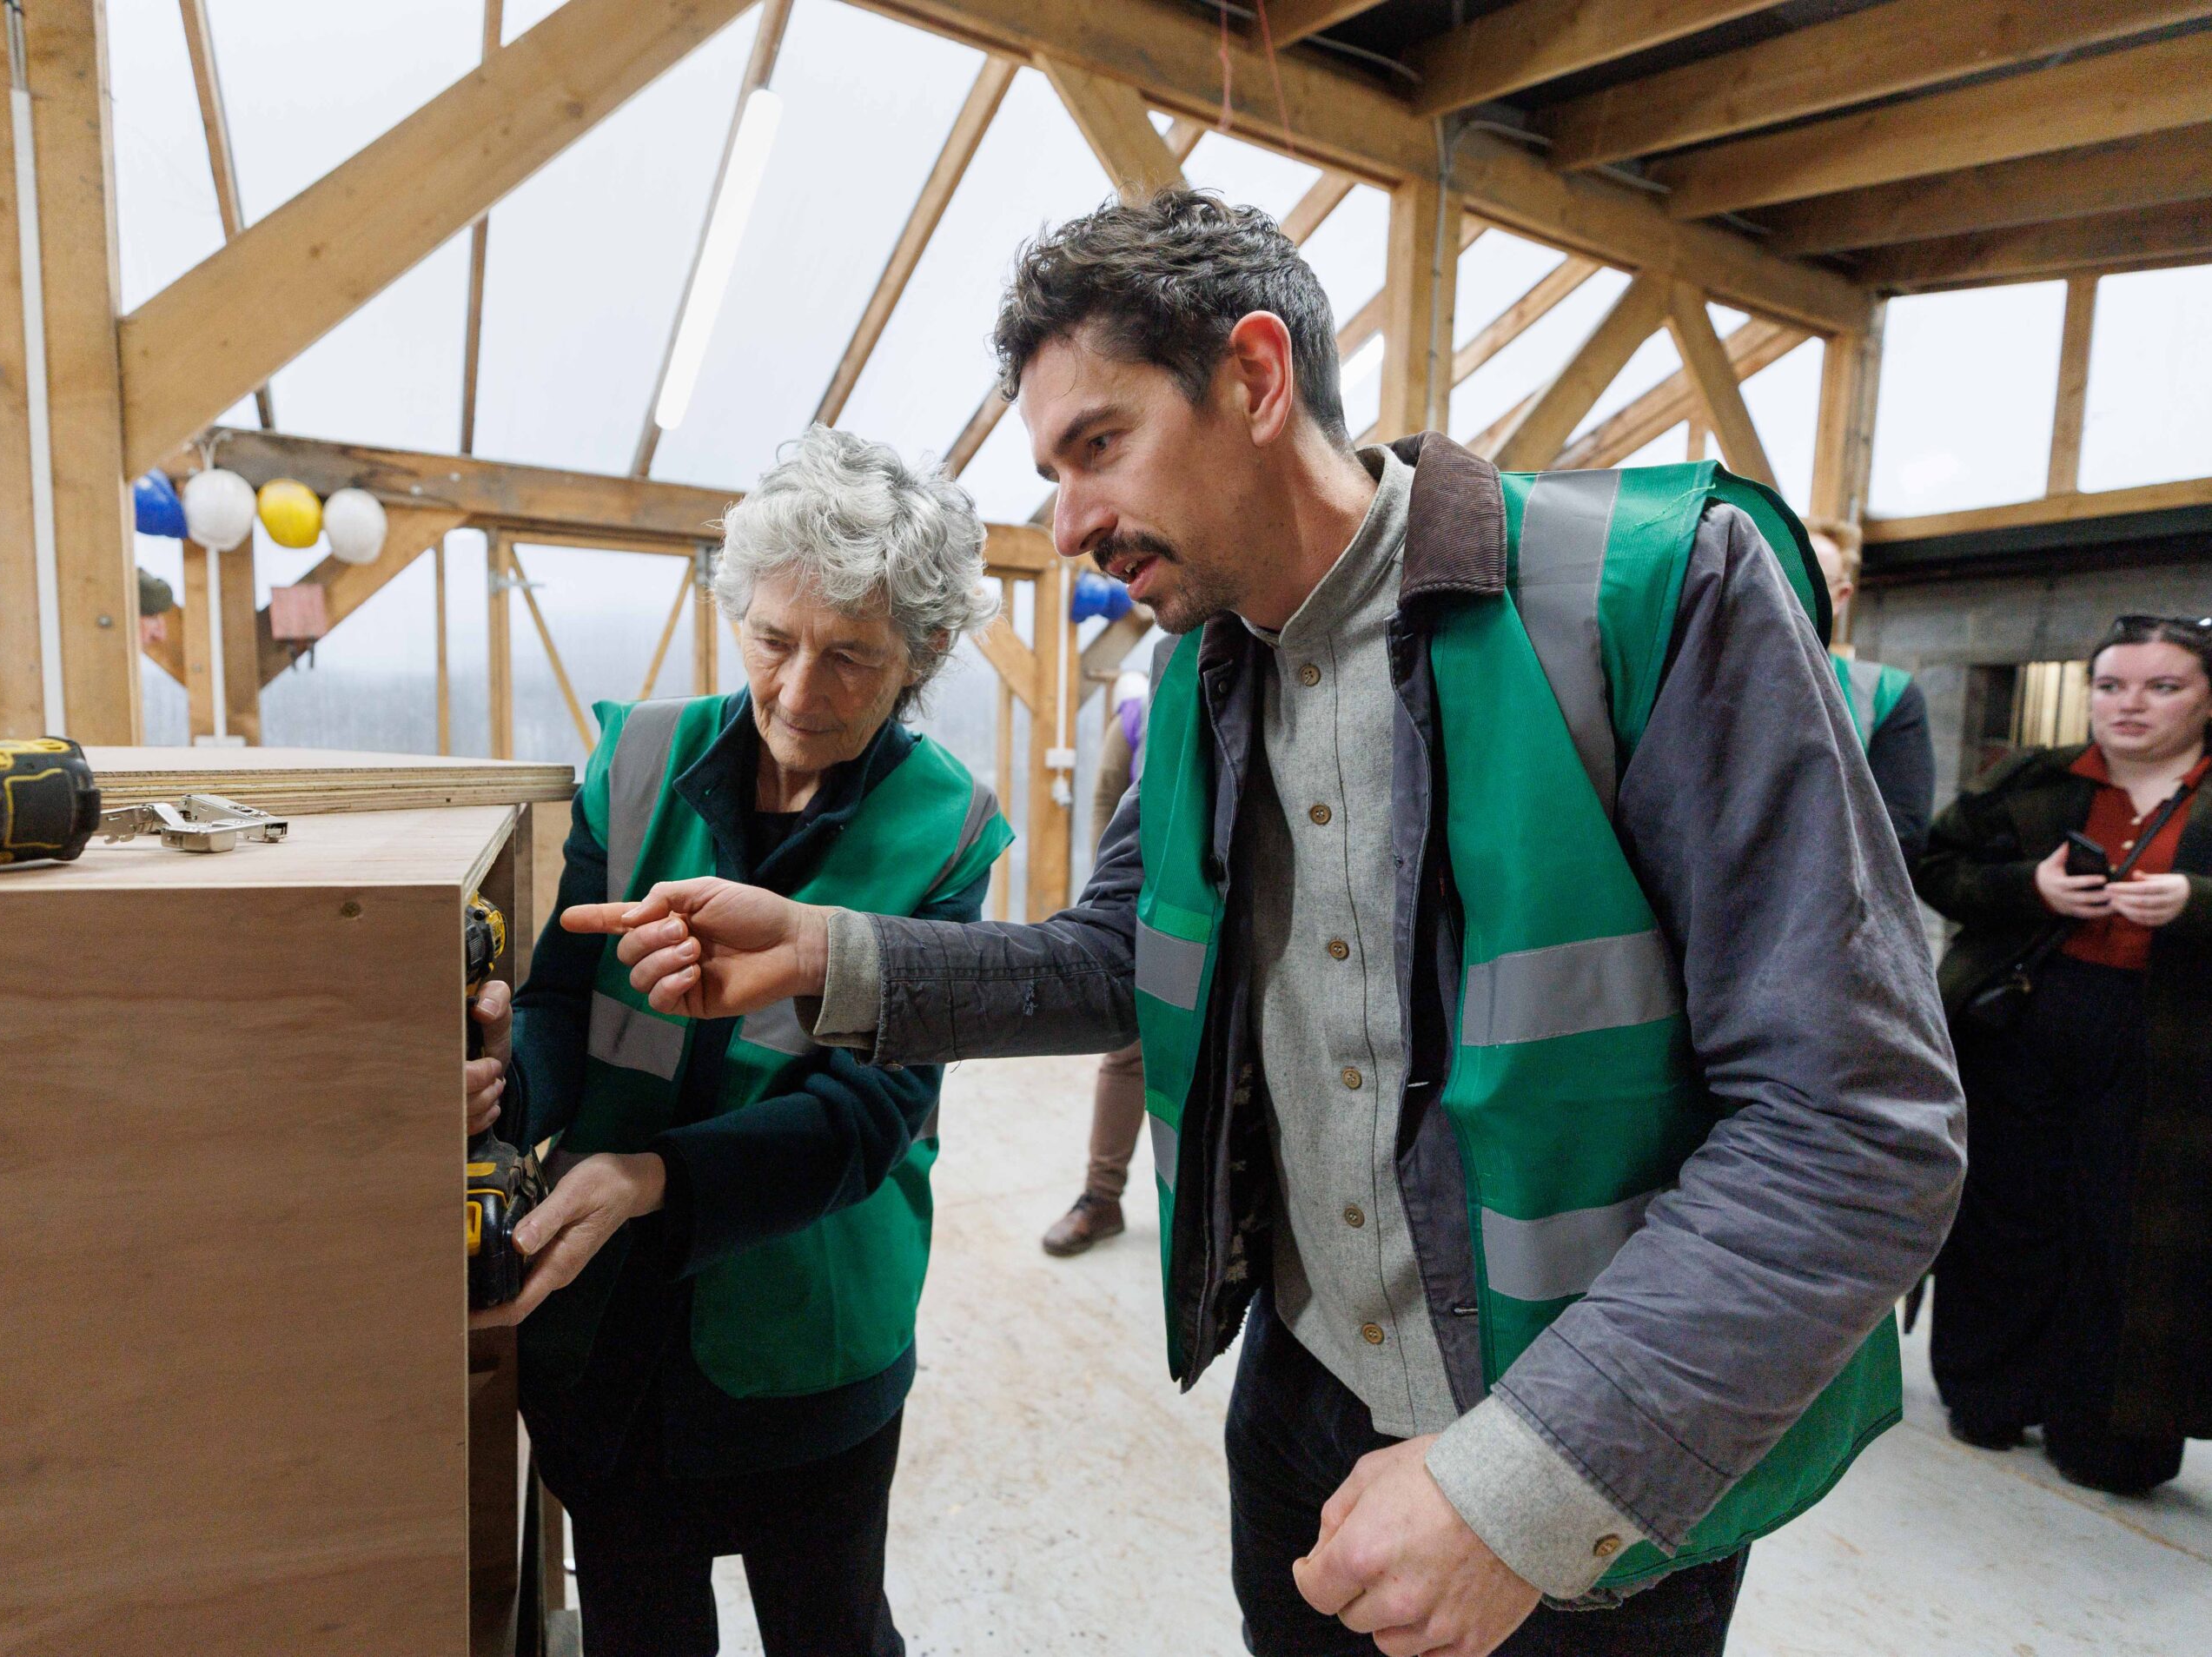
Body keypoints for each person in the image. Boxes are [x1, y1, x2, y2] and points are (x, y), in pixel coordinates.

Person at [565, 192, 1964, 1657]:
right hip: (1302, 1408)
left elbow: (1857, 1127)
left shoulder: (1655, 592)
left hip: (1580, 1447)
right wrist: (831, 953)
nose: (1069, 523)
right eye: (1051, 472)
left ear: (1253, 374)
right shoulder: (1198, 677)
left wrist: (1522, 1486)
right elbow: (1124, 960)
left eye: (1098, 445)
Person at [464, 427, 1010, 1657]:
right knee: (639, 1625)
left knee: (831, 1627)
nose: (799, 693)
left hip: (806, 1329)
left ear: (923, 654)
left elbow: (871, 1116)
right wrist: (505, 1082)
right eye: (773, 639)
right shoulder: (640, 759)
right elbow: (562, 999)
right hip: (604, 1315)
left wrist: (653, 1175)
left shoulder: (945, 829)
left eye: (852, 656)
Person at [1914, 614, 2212, 1495]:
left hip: (2173, 1044)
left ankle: (2109, 1433)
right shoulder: (2035, 777)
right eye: (2111, 684)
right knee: (2004, 1209)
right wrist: (2029, 886)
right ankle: (1988, 1392)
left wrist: (2196, 902)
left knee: (2131, 1231)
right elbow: (1934, 865)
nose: (2129, 704)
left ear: (2207, 699)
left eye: (2163, 686)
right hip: (2023, 1020)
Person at [1043, 666, 1152, 1256]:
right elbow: (1107, 800)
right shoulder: (1139, 711)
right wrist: (1110, 891)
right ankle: (1101, 1196)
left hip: (1245, 908)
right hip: (1151, 906)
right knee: (1127, 1050)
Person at [1809, 531, 1936, 859]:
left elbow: (1900, 834)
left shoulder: (1885, 693)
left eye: (1812, 579)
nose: (1791, 593)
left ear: (1840, 596)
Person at [0, 569, 175, 739]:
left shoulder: (96, 677)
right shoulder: (34, 674)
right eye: (152, 617)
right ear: (113, 617)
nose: (160, 634)